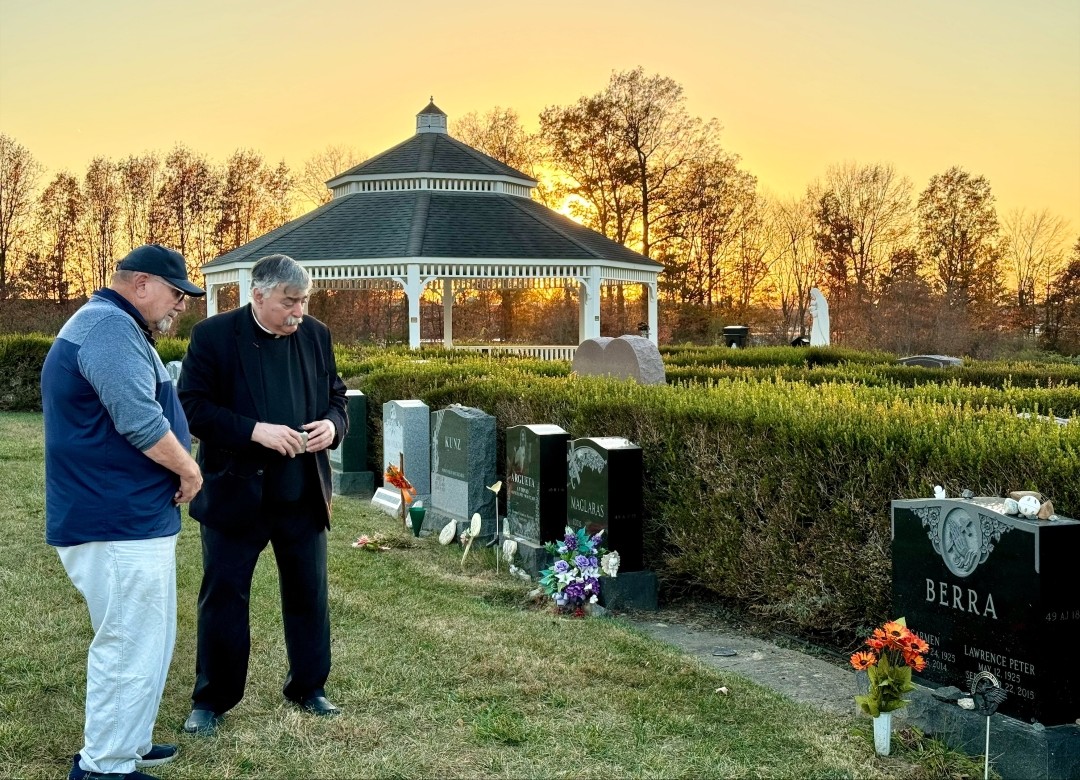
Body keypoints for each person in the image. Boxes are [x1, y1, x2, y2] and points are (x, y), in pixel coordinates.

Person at [41, 244, 205, 780]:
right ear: (142, 285)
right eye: (176, 294)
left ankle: (128, 741)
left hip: (132, 517)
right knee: (128, 643)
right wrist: (189, 471)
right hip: (113, 520)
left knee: (149, 639)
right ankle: (104, 767)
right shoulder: (109, 329)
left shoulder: (118, 326)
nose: (181, 305)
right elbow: (139, 421)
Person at [178, 253, 349, 735]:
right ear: (257, 294)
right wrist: (255, 431)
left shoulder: (316, 334)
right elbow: (192, 408)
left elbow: (337, 396)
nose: (299, 312)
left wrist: (332, 428)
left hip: (302, 494)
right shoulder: (213, 337)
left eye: (304, 301)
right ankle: (211, 701)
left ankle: (309, 687)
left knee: (308, 593)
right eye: (289, 302)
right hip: (236, 496)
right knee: (224, 596)